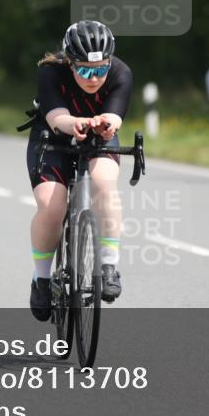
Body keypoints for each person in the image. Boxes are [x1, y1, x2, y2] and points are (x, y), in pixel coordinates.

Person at [24, 20, 132, 322]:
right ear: (69, 63)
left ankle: (109, 265)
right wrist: (76, 124)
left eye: (100, 70)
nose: (94, 78)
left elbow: (114, 114)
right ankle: (41, 279)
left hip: (100, 133)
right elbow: (57, 116)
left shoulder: (121, 73)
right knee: (51, 206)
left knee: (104, 184)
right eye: (84, 70)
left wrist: (106, 125)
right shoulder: (50, 72)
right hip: (53, 136)